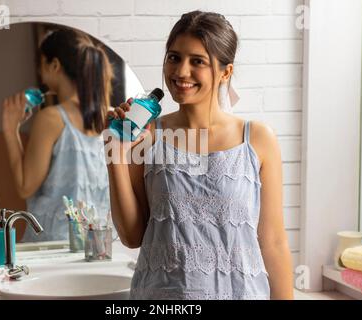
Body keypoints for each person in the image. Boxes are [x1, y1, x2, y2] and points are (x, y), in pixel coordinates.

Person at [105, 11, 294, 299]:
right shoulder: (147, 135)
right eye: (173, 57)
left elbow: (273, 242)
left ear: (225, 72)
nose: (181, 72)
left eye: (197, 61)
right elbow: (132, 237)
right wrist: (116, 156)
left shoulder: (257, 138)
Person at [1, 27, 113, 242]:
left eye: (41, 65)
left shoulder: (52, 118)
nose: (41, 74)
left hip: (54, 245)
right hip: (98, 245)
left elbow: (25, 187)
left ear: (54, 65)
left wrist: (9, 128)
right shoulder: (108, 117)